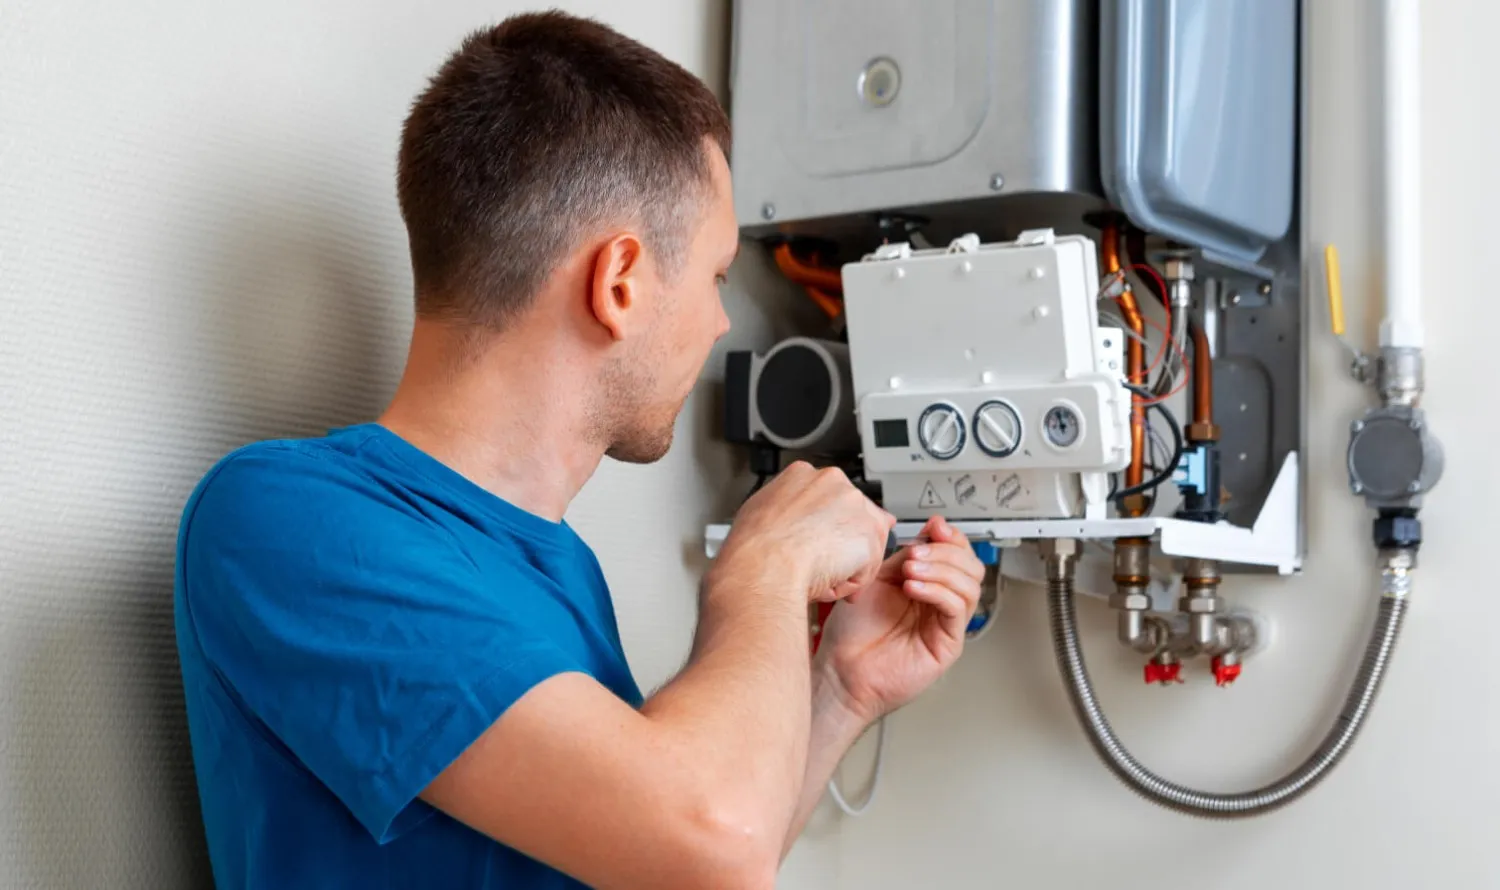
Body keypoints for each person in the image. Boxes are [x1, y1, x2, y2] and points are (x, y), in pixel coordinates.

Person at [173, 10, 985, 890]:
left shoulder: (552, 567)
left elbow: (672, 862)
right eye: (716, 278)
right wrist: (766, 568)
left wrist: (839, 689)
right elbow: (713, 841)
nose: (719, 322)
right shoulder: (285, 522)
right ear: (620, 283)